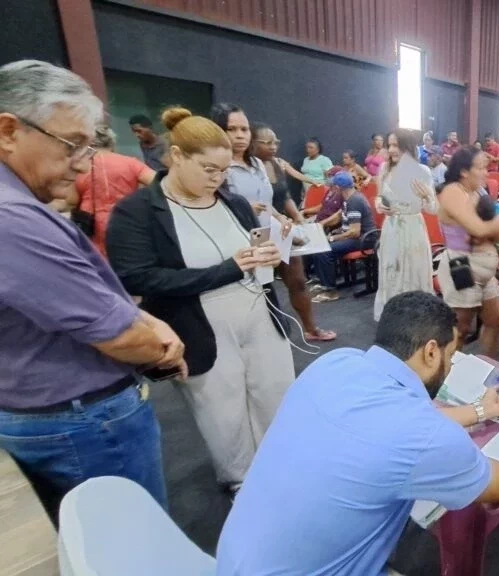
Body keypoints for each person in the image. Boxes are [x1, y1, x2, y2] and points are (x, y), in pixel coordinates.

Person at [216, 291, 499, 576]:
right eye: (451, 355)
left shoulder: (336, 363)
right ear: (430, 350)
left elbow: (390, 421)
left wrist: (481, 411)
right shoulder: (425, 437)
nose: (450, 364)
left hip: (236, 558)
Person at [0, 60, 181, 515]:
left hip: (51, 406)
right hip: (83, 417)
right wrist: (161, 344)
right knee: (132, 543)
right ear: (8, 131)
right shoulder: (13, 218)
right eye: (72, 145)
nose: (82, 166)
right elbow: (118, 334)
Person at [106, 106, 293, 497]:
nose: (218, 179)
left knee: (274, 394)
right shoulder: (138, 211)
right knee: (221, 410)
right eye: (209, 169)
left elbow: (250, 255)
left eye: (224, 171)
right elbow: (137, 277)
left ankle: (280, 466)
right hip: (199, 326)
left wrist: (267, 259)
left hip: (258, 313)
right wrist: (227, 269)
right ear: (177, 156)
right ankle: (241, 480)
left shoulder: (233, 203)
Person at [251, 122, 336, 342]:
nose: (273, 146)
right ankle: (265, 336)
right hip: (258, 231)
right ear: (253, 143)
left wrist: (299, 219)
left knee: (298, 281)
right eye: (267, 142)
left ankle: (311, 328)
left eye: (275, 142)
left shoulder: (276, 165)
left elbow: (285, 196)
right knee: (261, 284)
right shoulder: (249, 168)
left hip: (282, 228)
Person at [435, 147, 499, 358]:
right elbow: (478, 229)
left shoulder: (478, 191)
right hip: (462, 266)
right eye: (481, 168)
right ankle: (443, 379)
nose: (487, 173)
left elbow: (491, 229)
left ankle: (486, 367)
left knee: (495, 320)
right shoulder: (452, 192)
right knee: (460, 330)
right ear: (464, 171)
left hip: (484, 269)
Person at [374, 129, 438, 320]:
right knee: (391, 271)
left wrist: (427, 196)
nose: (391, 149)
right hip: (391, 227)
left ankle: (415, 318)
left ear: (407, 147)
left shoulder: (422, 171)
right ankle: (393, 318)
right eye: (390, 145)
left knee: (413, 272)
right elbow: (380, 196)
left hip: (413, 228)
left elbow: (433, 209)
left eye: (396, 145)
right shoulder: (384, 169)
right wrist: (378, 204)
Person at [71, 126, 155, 257]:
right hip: (126, 220)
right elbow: (159, 184)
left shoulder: (80, 166)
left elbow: (69, 200)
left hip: (90, 225)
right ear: (112, 143)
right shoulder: (131, 163)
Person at [309, 171, 378, 302]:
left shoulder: (355, 201)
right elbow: (343, 219)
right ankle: (325, 283)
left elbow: (355, 232)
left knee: (325, 250)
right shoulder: (349, 198)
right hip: (356, 237)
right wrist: (328, 228)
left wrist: (333, 238)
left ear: (338, 188)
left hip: (364, 239)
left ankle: (331, 291)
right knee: (320, 246)